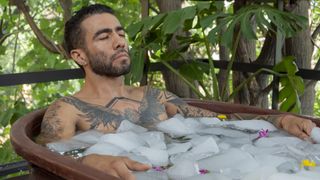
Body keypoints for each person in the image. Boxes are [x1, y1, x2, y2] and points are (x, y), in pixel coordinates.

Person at [36, 4, 316, 180]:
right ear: (79, 56)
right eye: (104, 36)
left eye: (120, 33)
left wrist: (277, 120)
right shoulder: (67, 110)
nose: (119, 41)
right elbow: (43, 161)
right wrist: (87, 160)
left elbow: (220, 121)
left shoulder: (154, 97)